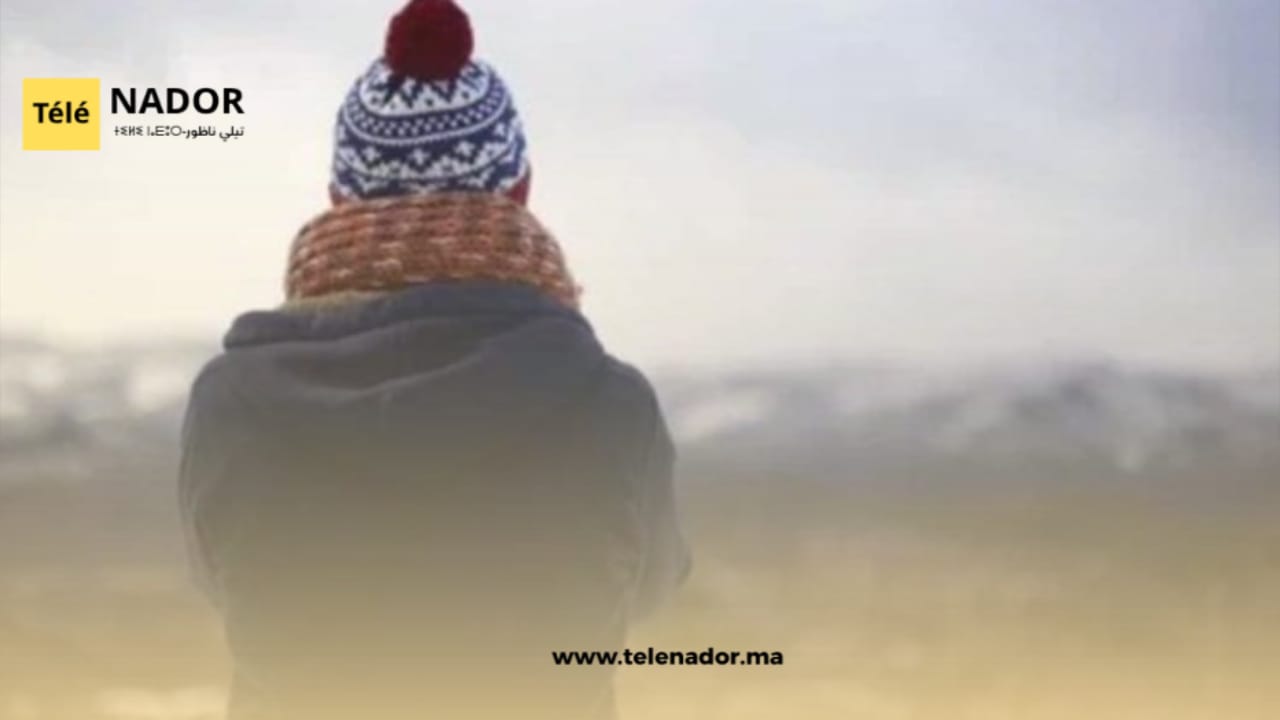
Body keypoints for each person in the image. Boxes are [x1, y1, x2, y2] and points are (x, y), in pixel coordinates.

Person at [177, 1, 689, 717]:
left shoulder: (230, 402)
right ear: (518, 190)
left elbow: (222, 585)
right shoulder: (611, 404)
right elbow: (651, 588)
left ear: (338, 198)